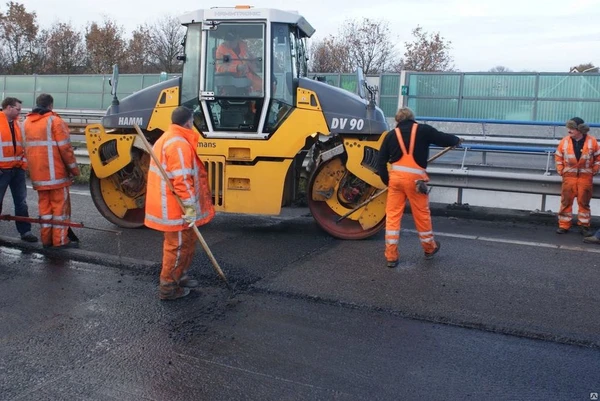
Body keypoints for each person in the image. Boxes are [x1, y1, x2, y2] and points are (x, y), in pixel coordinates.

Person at [144, 106, 215, 301]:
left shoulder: (170, 138)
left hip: (175, 206)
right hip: (176, 209)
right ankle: (168, 287)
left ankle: (180, 275)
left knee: (187, 243)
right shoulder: (178, 144)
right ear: (189, 122)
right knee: (177, 247)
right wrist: (190, 207)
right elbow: (182, 180)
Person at [377, 107, 461, 268]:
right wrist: (456, 140)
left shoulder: (390, 135)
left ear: (397, 121)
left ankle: (391, 256)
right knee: (421, 215)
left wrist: (388, 181)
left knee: (393, 217)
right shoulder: (423, 130)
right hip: (416, 182)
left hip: (395, 181)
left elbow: (381, 162)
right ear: (412, 118)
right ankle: (429, 248)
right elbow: (443, 139)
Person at [23, 93, 80, 249]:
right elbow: (66, 149)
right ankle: (60, 241)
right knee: (60, 209)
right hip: (56, 175)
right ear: (50, 105)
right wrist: (74, 170)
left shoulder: (26, 122)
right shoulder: (55, 121)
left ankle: (47, 240)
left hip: (38, 176)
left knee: (45, 210)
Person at [0, 97, 37, 242]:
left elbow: (23, 146)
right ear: (9, 107)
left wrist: (23, 164)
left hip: (17, 170)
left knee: (21, 202)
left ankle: (25, 232)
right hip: (2, 171)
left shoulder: (18, 124)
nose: (20, 112)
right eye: (18, 109)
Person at [554, 117, 599, 236]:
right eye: (568, 128)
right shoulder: (564, 141)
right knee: (566, 202)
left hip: (585, 178)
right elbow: (558, 157)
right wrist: (561, 170)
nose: (569, 131)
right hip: (569, 177)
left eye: (572, 128)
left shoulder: (592, 141)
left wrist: (593, 170)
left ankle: (584, 226)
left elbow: (598, 158)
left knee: (584, 203)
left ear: (580, 130)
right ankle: (564, 225)